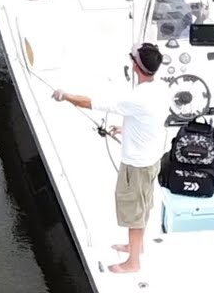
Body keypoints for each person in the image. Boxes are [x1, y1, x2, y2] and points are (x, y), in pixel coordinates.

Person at [51, 42, 170, 274]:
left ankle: (133, 262)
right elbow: (149, 119)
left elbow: (91, 103)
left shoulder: (137, 98)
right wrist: (127, 129)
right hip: (151, 161)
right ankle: (136, 246)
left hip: (136, 167)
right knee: (143, 206)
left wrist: (65, 96)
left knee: (134, 212)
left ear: (136, 66)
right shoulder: (161, 89)